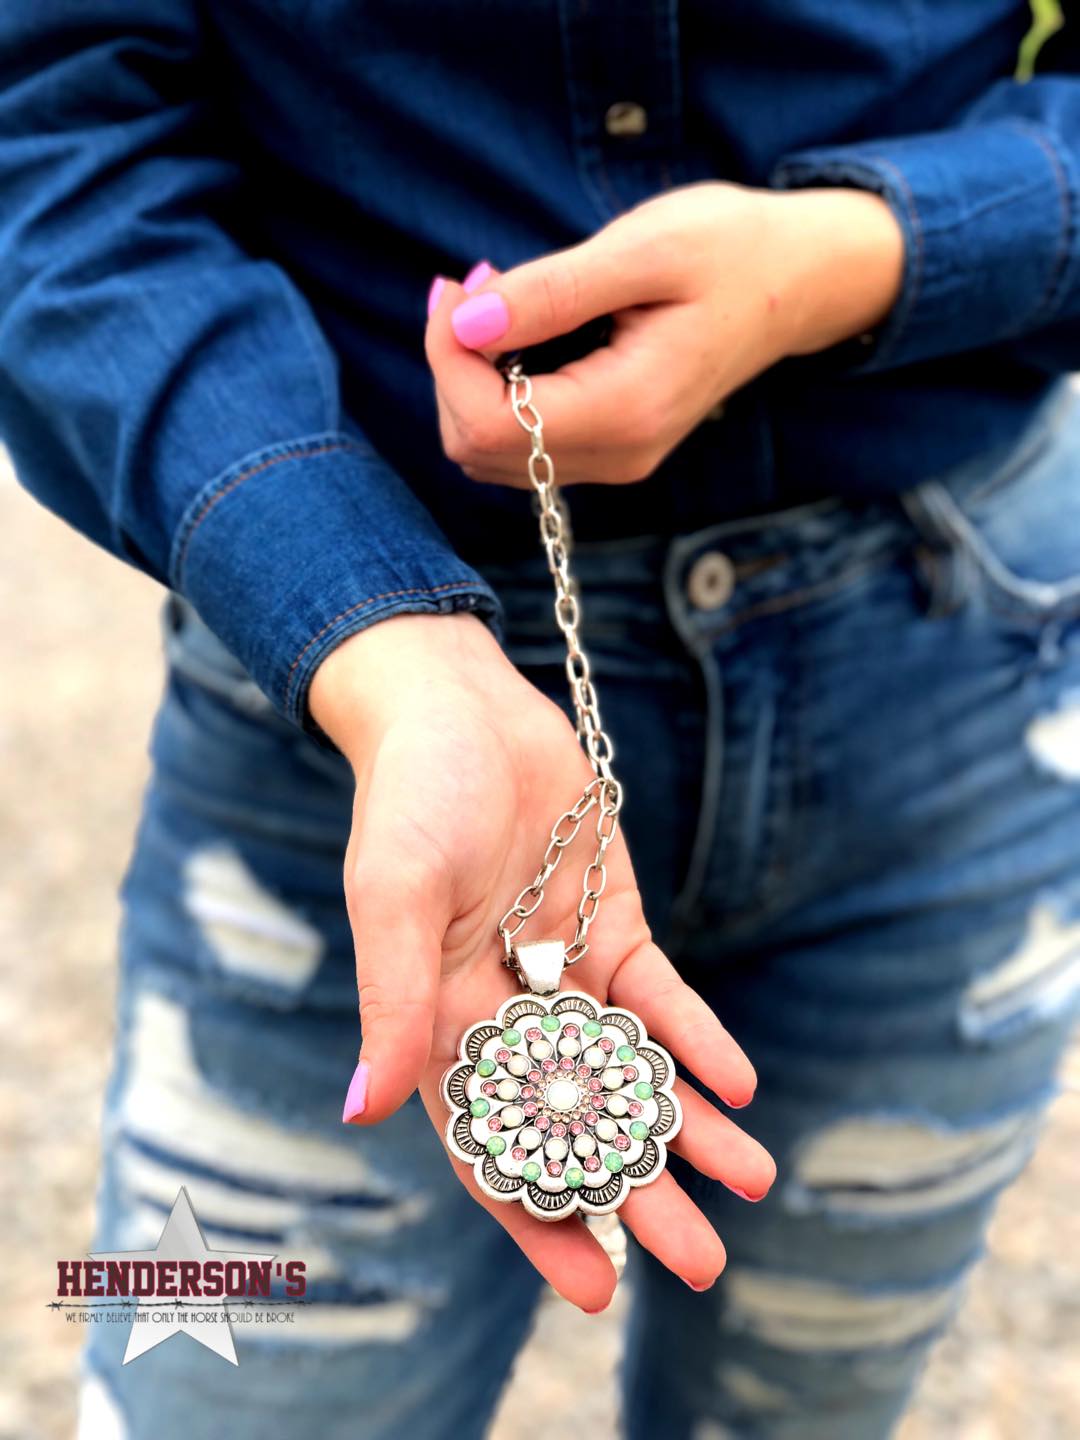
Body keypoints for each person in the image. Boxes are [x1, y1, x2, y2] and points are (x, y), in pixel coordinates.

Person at [2, 3, 1080, 1436]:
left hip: (961, 671)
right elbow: (46, 131)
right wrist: (365, 627)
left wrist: (853, 256)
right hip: (353, 731)